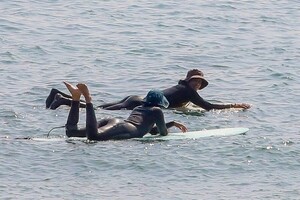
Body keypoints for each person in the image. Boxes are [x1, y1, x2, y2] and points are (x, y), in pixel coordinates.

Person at [46, 69, 250, 111]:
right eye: (195, 82)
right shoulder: (188, 92)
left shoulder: (182, 88)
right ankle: (64, 100)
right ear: (188, 81)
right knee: (97, 110)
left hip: (136, 98)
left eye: (199, 83)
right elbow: (208, 107)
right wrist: (234, 105)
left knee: (98, 107)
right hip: (139, 102)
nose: (197, 85)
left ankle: (60, 95)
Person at [62, 82, 187, 140]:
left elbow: (151, 130)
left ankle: (75, 99)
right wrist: (168, 127)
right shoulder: (157, 110)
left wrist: (172, 123)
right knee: (94, 137)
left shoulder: (139, 108)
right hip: (124, 127)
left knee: (71, 132)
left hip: (116, 122)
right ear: (160, 102)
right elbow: (162, 133)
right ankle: (88, 100)